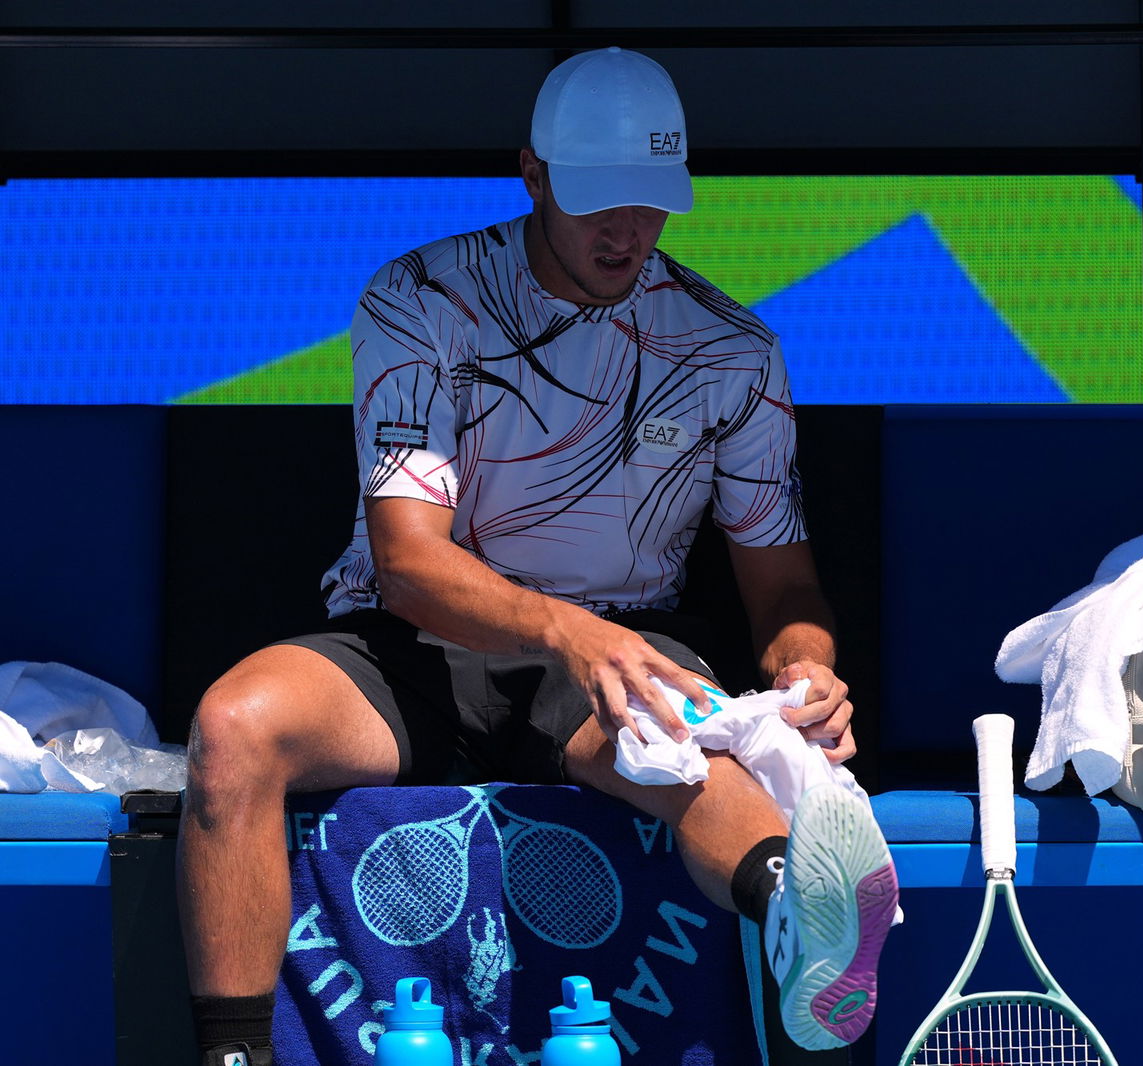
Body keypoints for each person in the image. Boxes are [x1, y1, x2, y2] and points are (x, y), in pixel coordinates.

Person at [176, 45, 898, 1066]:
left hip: (615, 656)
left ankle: (802, 907)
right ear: (532, 174)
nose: (627, 230)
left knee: (709, 756)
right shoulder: (419, 298)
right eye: (599, 198)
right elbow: (408, 561)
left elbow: (781, 582)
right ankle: (233, 1055)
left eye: (649, 201)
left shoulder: (733, 351)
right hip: (412, 649)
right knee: (232, 727)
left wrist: (803, 665)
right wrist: (568, 630)